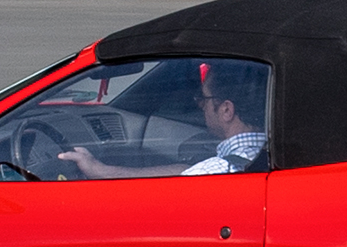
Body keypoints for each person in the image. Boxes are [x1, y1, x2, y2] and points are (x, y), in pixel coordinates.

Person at [60, 61, 267, 178]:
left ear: (226, 110)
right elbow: (185, 171)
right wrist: (101, 170)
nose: (200, 105)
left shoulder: (214, 173)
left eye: (204, 98)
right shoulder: (263, 153)